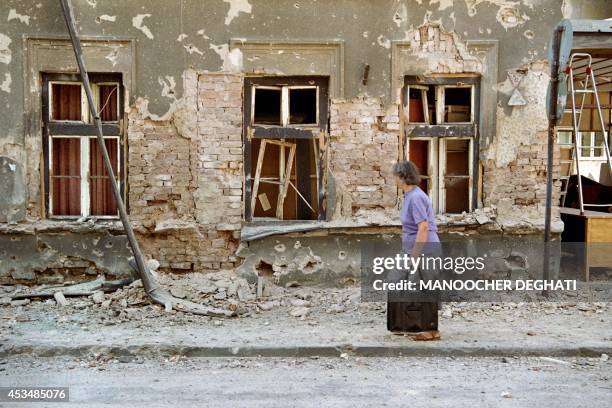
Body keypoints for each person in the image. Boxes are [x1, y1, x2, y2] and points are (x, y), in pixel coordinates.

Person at [387, 160, 441, 340]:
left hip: (425, 249)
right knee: (396, 279)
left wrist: (415, 256)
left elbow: (423, 228)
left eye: (396, 176)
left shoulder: (416, 197)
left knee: (426, 287)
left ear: (403, 177)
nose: (394, 179)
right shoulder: (408, 196)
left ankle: (431, 330)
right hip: (411, 248)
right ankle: (403, 324)